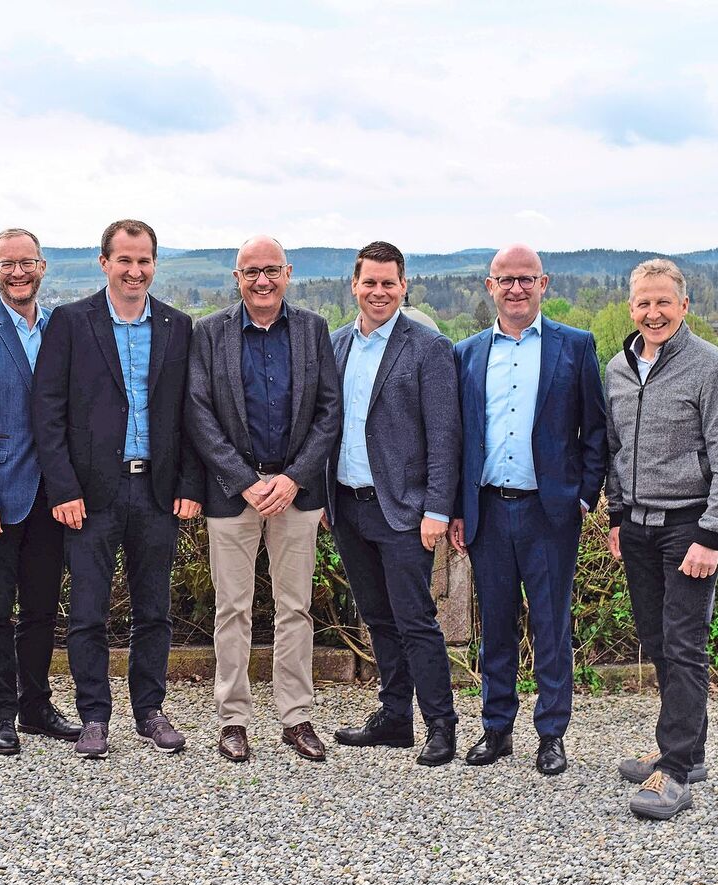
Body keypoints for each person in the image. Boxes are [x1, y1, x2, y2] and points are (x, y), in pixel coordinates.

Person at [31, 219, 203, 759]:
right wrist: (63, 489)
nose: (134, 270)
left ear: (155, 264)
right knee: (88, 613)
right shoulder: (71, 322)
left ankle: (150, 711)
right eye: (124, 260)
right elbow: (48, 411)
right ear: (104, 262)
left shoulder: (178, 326)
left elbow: (192, 413)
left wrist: (190, 483)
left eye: (144, 260)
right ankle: (93, 717)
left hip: (157, 492)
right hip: (90, 495)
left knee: (154, 611)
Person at [448, 244, 607, 776]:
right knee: (495, 625)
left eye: (526, 278)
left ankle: (551, 734)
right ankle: (496, 729)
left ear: (544, 283)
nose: (516, 288)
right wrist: (458, 508)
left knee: (550, 626)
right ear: (489, 286)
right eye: (506, 279)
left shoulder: (575, 346)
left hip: (550, 514)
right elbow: (459, 439)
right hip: (489, 511)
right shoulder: (467, 353)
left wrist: (583, 496)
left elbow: (596, 431)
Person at [187, 236, 341, 762]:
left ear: (288, 273)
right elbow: (198, 414)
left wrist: (293, 478)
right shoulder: (209, 332)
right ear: (237, 277)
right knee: (232, 609)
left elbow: (329, 412)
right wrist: (244, 480)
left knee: (295, 607)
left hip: (296, 493)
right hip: (233, 495)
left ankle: (296, 718)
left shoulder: (313, 329)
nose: (262, 281)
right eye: (251, 271)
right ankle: (233, 719)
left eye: (271, 270)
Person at [604, 258, 718, 820]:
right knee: (658, 639)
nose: (654, 312)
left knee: (685, 643)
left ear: (684, 305)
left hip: (691, 526)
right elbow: (615, 450)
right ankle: (687, 749)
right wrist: (617, 516)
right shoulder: (617, 369)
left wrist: (712, 534)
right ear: (631, 308)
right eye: (644, 302)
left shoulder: (713, 369)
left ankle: (676, 771)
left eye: (664, 301)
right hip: (637, 527)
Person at [0, 228, 82, 756]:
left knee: (42, 610)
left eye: (27, 263)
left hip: (52, 497)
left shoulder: (60, 328)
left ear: (42, 267)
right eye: (8, 264)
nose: (18, 272)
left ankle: (36, 707)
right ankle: (0, 714)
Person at [328, 241, 462, 766]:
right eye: (370, 282)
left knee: (415, 620)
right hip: (348, 505)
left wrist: (436, 509)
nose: (379, 291)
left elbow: (444, 435)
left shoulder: (428, 347)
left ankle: (441, 725)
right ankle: (395, 718)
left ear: (404, 286)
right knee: (377, 618)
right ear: (354, 285)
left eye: (389, 283)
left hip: (404, 510)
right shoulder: (337, 344)